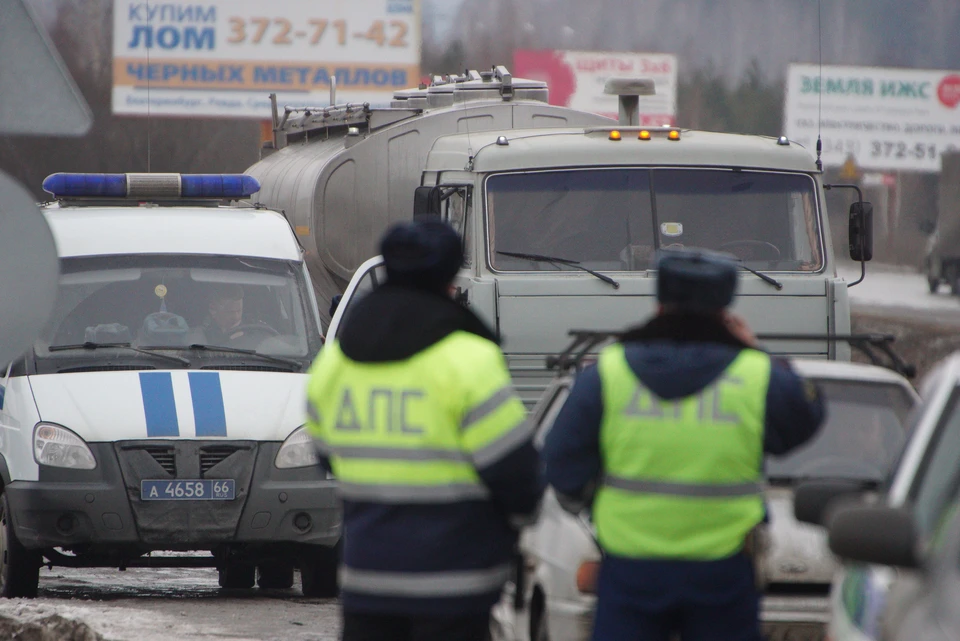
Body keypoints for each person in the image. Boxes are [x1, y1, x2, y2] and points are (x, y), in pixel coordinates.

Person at [543, 249, 826, 641]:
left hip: (630, 571)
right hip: (722, 574)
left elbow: (560, 466)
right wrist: (756, 351)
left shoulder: (608, 372)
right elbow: (807, 413)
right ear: (726, 309)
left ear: (659, 304)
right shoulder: (754, 375)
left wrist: (598, 509)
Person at [304, 219, 543, 641]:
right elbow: (514, 474)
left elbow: (326, 454)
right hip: (455, 583)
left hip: (367, 580)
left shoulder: (336, 360)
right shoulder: (470, 359)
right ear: (450, 279)